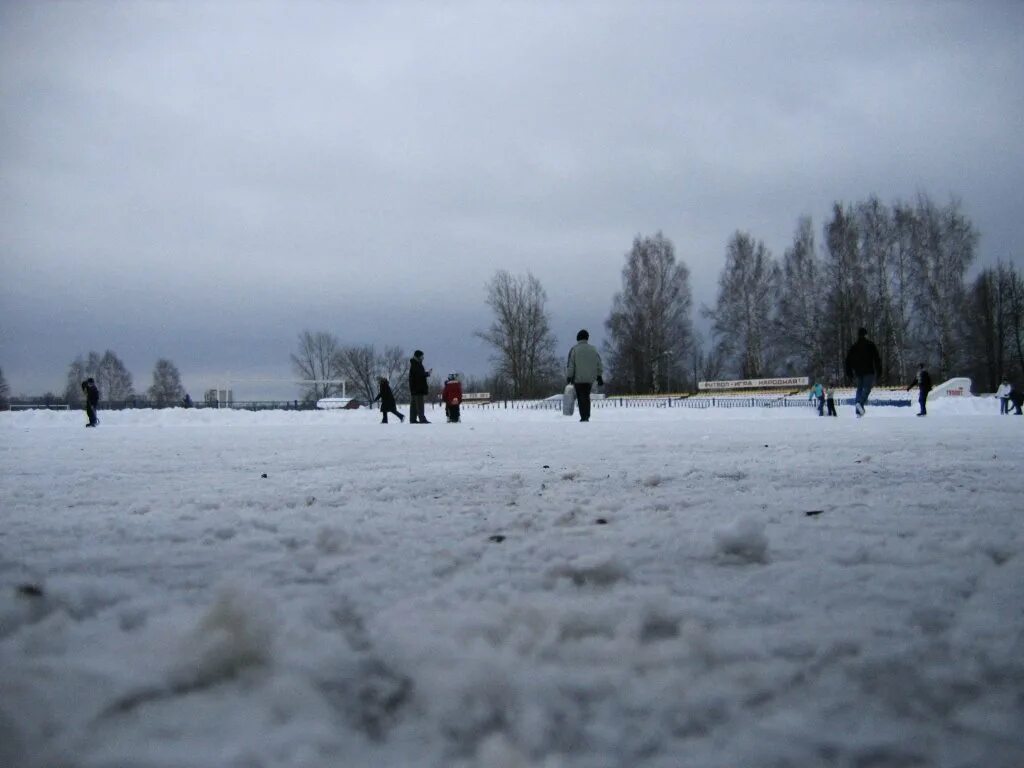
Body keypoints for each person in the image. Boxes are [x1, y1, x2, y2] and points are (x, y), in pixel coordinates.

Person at [566, 329, 603, 422]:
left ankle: (584, 416)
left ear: (578, 338)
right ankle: (586, 415)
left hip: (578, 379)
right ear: (587, 338)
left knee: (580, 397)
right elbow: (599, 364)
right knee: (586, 396)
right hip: (590, 379)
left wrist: (569, 377)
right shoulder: (593, 349)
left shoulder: (574, 350)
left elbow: (571, 365)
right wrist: (599, 376)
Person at [844, 327, 882, 417]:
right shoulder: (870, 345)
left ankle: (858, 411)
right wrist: (879, 370)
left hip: (858, 372)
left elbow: (847, 361)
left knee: (859, 389)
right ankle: (860, 403)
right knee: (867, 389)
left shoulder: (854, 347)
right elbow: (877, 359)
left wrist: (849, 373)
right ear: (865, 335)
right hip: (869, 371)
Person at [408, 350, 431, 424]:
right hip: (418, 388)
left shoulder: (415, 364)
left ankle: (413, 419)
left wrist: (426, 373)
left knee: (414, 405)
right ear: (418, 356)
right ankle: (422, 419)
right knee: (420, 405)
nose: (423, 358)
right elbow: (419, 375)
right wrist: (427, 374)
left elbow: (418, 375)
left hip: (414, 388)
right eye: (422, 356)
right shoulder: (416, 364)